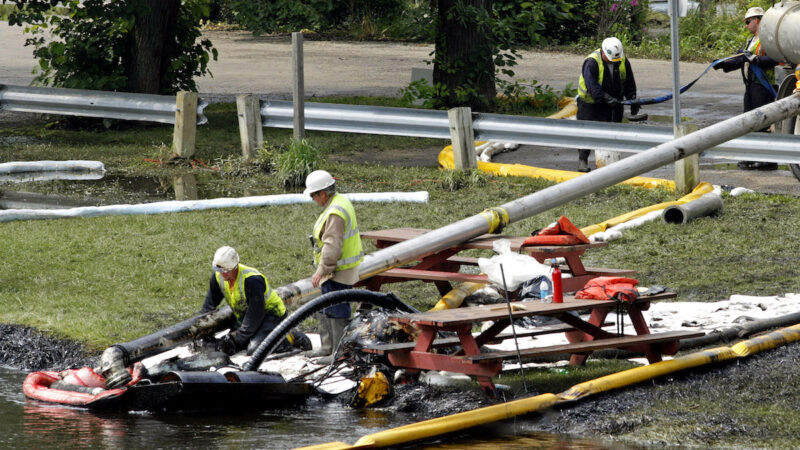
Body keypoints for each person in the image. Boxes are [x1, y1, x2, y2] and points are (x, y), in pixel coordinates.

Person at [201, 246, 310, 355]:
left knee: (256, 350)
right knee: (226, 347)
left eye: (226, 270)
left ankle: (289, 338)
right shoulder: (217, 277)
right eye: (219, 269)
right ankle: (257, 336)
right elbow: (209, 305)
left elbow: (256, 314)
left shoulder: (252, 280)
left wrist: (238, 337)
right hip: (245, 316)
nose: (223, 273)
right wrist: (204, 330)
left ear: (235, 266)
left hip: (271, 316)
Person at [304, 170, 364, 359]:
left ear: (323, 193)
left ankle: (338, 352)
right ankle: (327, 347)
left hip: (337, 270)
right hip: (338, 269)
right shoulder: (339, 202)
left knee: (337, 308)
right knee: (326, 305)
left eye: (313, 195)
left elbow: (332, 246)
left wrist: (321, 271)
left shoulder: (335, 212)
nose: (312, 199)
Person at [713, 6, 779, 170]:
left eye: (748, 22)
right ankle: (749, 156)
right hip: (750, 86)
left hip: (763, 86)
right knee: (748, 121)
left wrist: (756, 59)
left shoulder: (768, 39)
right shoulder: (752, 41)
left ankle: (768, 159)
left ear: (757, 21)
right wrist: (723, 64)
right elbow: (741, 59)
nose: (746, 25)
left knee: (762, 122)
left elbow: (774, 59)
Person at [576, 37, 638, 172]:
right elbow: (593, 88)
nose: (613, 61)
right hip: (591, 104)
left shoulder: (621, 60)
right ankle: (583, 160)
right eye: (610, 58)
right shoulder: (591, 62)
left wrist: (632, 98)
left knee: (613, 133)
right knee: (587, 133)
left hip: (614, 103)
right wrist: (606, 98)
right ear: (603, 52)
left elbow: (629, 82)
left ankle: (611, 164)